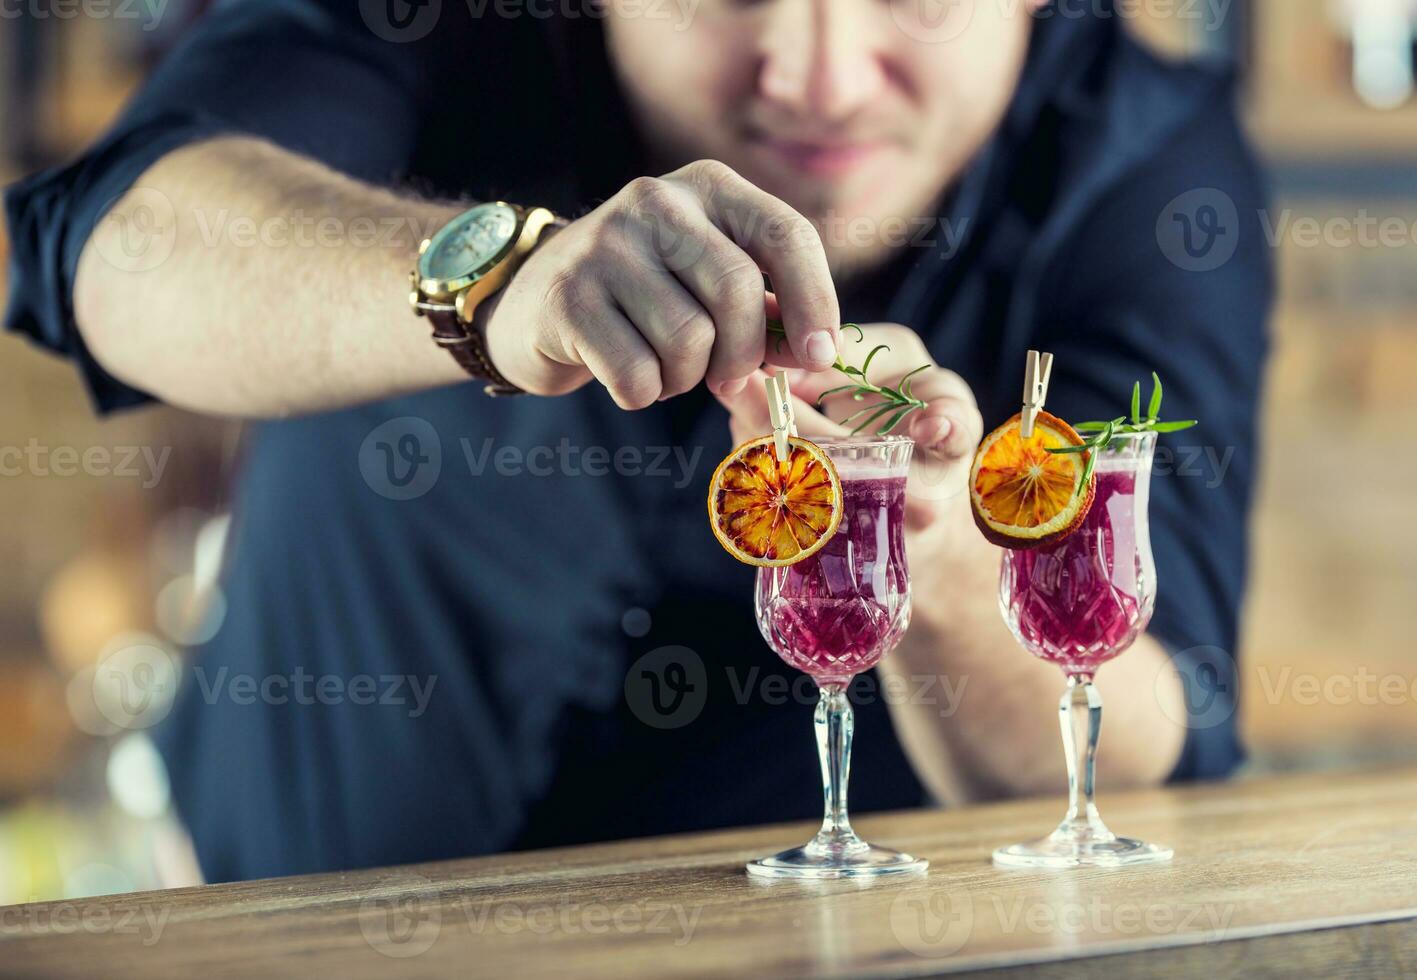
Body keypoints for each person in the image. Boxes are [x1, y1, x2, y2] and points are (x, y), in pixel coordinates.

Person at [3, 0, 1271, 882]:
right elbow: (103, 246)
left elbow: (1158, 721)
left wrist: (931, 549)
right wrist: (500, 284)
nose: (821, 73)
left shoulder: (1144, 157)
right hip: (267, 917)